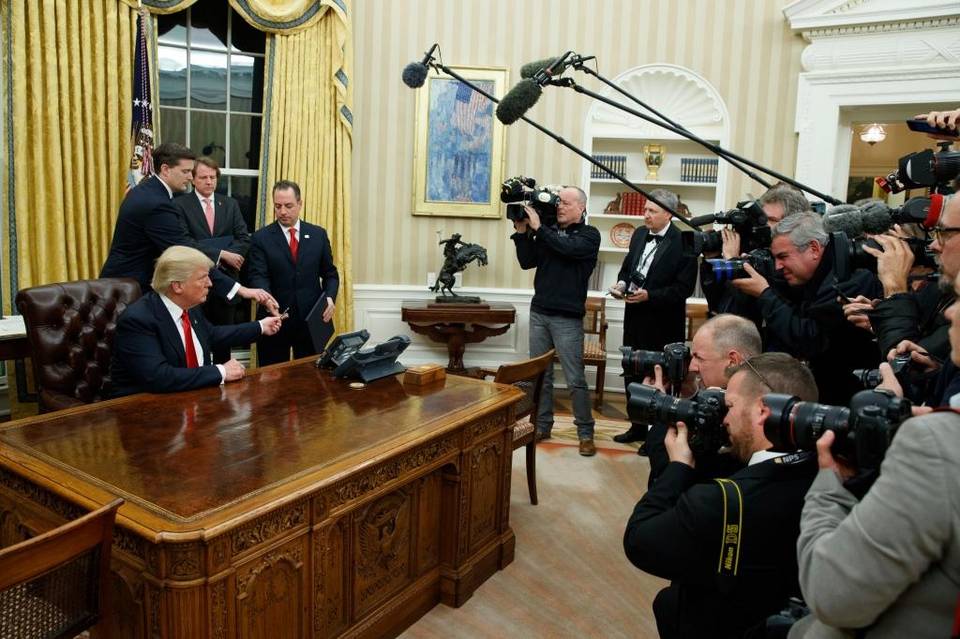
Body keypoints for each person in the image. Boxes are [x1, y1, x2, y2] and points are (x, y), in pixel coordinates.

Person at [789, 270, 960, 638]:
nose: (949, 312)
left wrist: (830, 484)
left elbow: (832, 594)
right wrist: (934, 381)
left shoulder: (935, 444)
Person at [623, 352, 819, 639]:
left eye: (729, 406)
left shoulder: (720, 500)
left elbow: (640, 541)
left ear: (762, 411)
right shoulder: (827, 474)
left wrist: (678, 467)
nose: (723, 418)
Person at [100, 142, 276, 312]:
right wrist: (240, 289)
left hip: (126, 286)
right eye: (185, 171)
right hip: (127, 290)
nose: (191, 177)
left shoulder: (150, 191)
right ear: (165, 169)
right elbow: (184, 253)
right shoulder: (156, 203)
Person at [731, 211, 882, 404]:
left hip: (850, 397)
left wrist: (764, 294)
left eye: (783, 256)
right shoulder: (821, 274)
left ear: (814, 249)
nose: (778, 266)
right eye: (774, 258)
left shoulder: (847, 279)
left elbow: (810, 338)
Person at [110, 246, 282, 397]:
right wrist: (221, 371)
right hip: (146, 409)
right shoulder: (137, 320)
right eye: (202, 278)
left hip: (195, 398)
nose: (210, 283)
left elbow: (211, 335)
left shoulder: (189, 306)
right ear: (177, 286)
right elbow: (159, 377)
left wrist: (261, 326)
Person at [843, 194, 959, 405]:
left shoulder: (942, 289)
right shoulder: (937, 291)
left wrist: (895, 289)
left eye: (943, 233)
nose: (934, 245)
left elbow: (904, 364)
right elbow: (920, 352)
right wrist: (881, 318)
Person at [512, 186, 601, 456]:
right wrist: (522, 233)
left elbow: (567, 249)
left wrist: (539, 228)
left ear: (581, 208)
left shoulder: (589, 235)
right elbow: (527, 261)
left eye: (566, 203)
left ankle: (585, 433)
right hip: (539, 311)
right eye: (558, 201)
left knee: (575, 379)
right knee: (542, 375)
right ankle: (542, 426)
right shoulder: (548, 231)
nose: (559, 206)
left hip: (567, 318)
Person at [609, 189, 697, 450]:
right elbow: (628, 268)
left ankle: (656, 437)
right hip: (634, 317)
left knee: (660, 380)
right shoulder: (638, 234)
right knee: (632, 373)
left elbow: (683, 289)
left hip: (663, 323)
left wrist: (650, 296)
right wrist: (621, 284)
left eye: (652, 211)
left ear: (668, 214)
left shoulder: (685, 241)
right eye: (645, 209)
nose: (645, 215)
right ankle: (636, 427)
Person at [644, 313, 763, 485]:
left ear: (732, 361)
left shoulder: (730, 419)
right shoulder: (752, 397)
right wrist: (687, 393)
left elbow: (666, 472)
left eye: (699, 357)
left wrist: (659, 407)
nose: (692, 367)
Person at [247, 180, 339, 366]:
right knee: (272, 378)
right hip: (275, 318)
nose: (282, 211)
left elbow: (330, 274)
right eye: (278, 206)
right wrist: (267, 300)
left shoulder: (318, 235)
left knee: (310, 377)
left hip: (311, 321)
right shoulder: (260, 238)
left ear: (300, 204)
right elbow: (258, 276)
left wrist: (329, 297)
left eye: (288, 206)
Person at [175, 156, 252, 363]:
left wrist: (230, 257)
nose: (209, 181)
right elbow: (185, 242)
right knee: (195, 342)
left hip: (226, 283)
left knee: (224, 343)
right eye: (203, 177)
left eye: (213, 177)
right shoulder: (180, 205)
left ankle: (225, 377)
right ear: (193, 179)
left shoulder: (230, 204)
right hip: (193, 283)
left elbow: (243, 238)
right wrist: (221, 255)